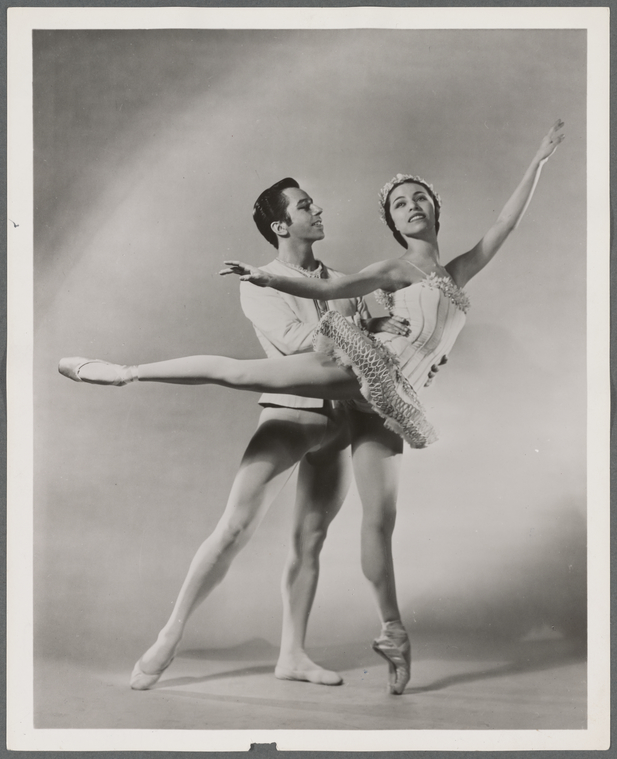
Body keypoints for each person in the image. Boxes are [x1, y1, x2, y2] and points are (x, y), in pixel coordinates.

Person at [59, 120, 564, 693]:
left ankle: (295, 653)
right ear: (282, 223)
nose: (316, 210)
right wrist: (344, 314)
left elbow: (479, 243)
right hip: (294, 409)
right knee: (235, 512)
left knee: (315, 538)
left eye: (313, 203)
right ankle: (125, 376)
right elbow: (311, 332)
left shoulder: (366, 276)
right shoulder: (289, 279)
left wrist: (537, 161)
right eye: (305, 205)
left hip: (349, 414)